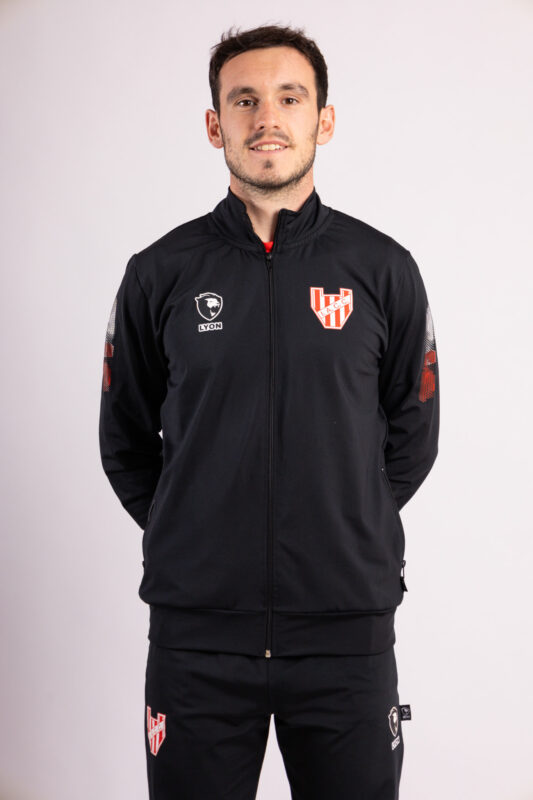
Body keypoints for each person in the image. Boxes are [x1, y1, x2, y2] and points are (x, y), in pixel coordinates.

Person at [99, 22, 439, 800]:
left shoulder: (382, 270)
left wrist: (342, 521)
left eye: (289, 98)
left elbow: (412, 435)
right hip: (197, 643)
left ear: (324, 119)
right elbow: (124, 438)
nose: (266, 119)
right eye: (244, 100)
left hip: (345, 638)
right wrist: (194, 528)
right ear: (214, 123)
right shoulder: (159, 273)